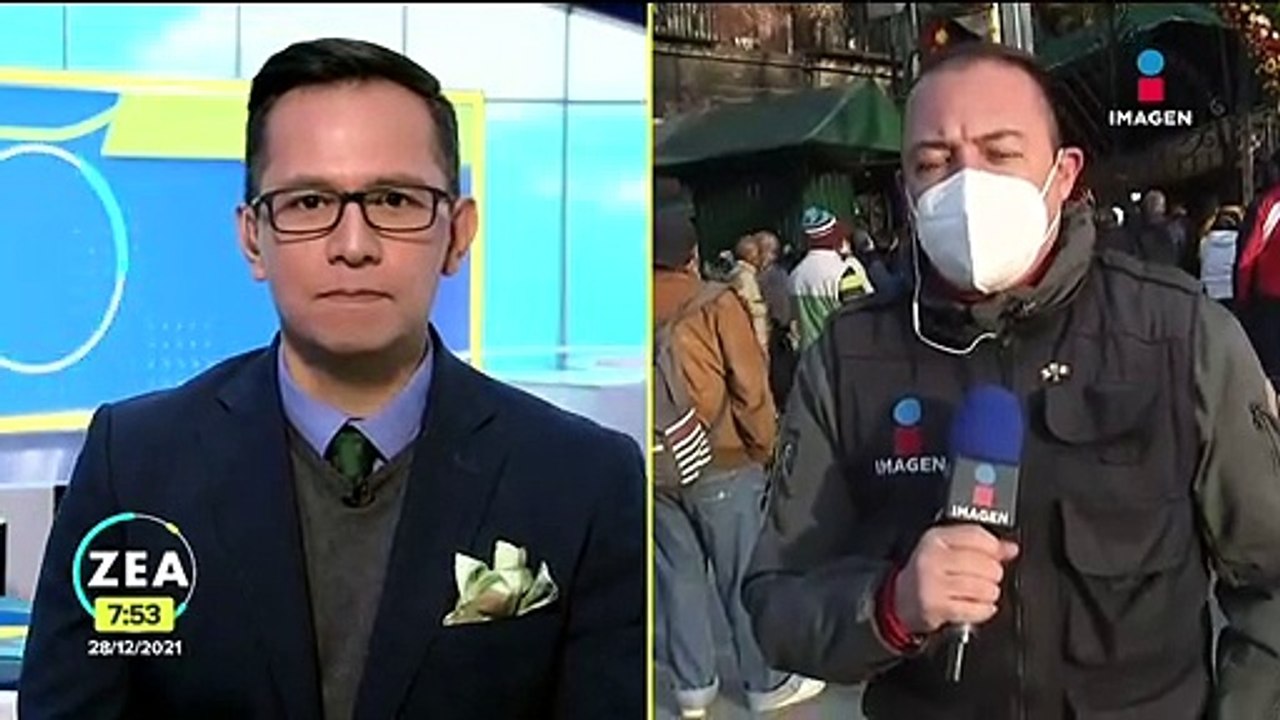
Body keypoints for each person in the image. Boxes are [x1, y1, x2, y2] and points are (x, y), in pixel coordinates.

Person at [19, 38, 645, 720]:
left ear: (458, 235)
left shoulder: (582, 479)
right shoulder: (135, 465)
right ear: (253, 237)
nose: (353, 245)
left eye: (396, 199)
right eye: (310, 202)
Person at [743, 41, 1280, 720]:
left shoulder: (1180, 336)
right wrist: (891, 605)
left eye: (1000, 154)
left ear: (1062, 174)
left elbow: (1271, 580)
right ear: (907, 188)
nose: (966, 187)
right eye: (934, 163)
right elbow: (775, 602)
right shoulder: (848, 360)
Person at [652, 207, 824, 718]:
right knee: (741, 574)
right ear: (692, 255)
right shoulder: (714, 302)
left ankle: (692, 689)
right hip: (722, 458)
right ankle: (765, 682)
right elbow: (749, 386)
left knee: (677, 576)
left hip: (658, 463)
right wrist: (766, 448)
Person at [789, 206, 874, 352]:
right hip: (840, 354)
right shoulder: (844, 271)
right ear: (834, 236)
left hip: (809, 357)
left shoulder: (795, 275)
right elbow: (861, 317)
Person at [728, 233, 771, 356]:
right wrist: (763, 308)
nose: (761, 257)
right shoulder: (744, 277)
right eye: (758, 253)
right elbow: (746, 304)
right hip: (754, 337)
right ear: (751, 255)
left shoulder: (744, 274)